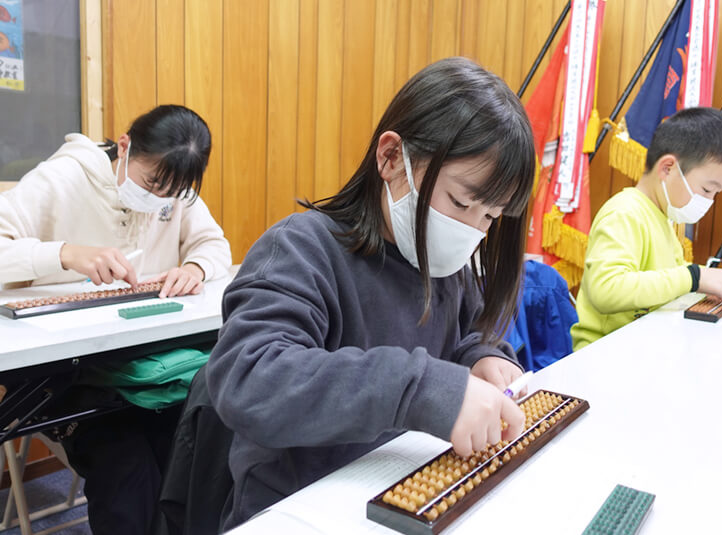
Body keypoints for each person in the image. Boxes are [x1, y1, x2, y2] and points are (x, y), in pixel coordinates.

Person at [206, 57, 536, 530]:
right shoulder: (303, 247)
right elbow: (249, 376)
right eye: (461, 202)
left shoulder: (447, 267)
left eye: (489, 216)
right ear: (390, 158)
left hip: (407, 492)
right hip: (301, 509)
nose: (471, 229)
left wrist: (484, 358)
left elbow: (469, 334)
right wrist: (420, 389)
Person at [0, 104, 232, 534]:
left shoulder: (176, 192)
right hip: (66, 371)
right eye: (152, 184)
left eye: (174, 193)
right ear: (124, 147)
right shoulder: (65, 177)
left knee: (188, 450)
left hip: (139, 367)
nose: (161, 200)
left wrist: (195, 268)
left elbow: (215, 246)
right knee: (128, 470)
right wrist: (66, 253)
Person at [571, 107, 722, 351]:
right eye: (707, 190)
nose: (709, 201)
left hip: (644, 346)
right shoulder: (624, 212)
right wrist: (694, 277)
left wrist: (715, 279)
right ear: (668, 168)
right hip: (605, 354)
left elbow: (670, 277)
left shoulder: (662, 218)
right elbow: (606, 290)